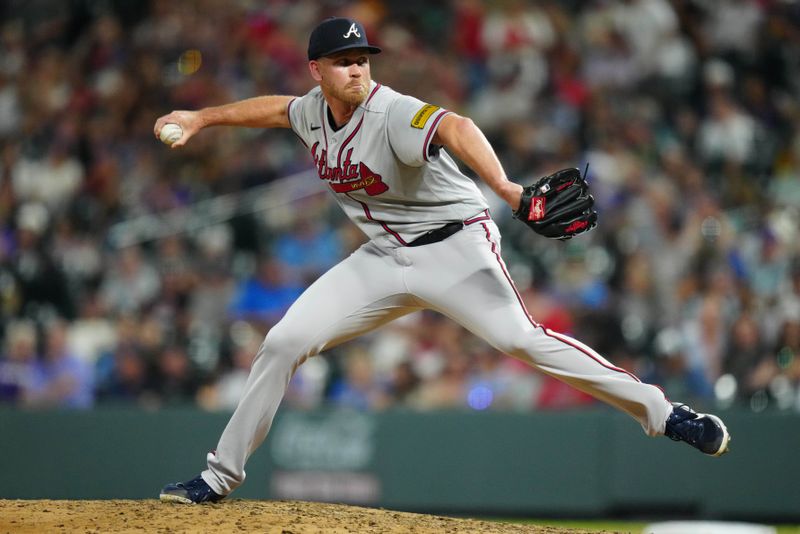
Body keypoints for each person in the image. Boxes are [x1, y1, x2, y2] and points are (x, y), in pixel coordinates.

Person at [155, 17, 730, 504]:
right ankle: (218, 477)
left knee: (524, 341)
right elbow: (275, 111)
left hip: (455, 248)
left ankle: (664, 414)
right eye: (342, 61)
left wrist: (506, 189)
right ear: (316, 71)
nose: (357, 69)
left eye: (362, 59)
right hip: (382, 257)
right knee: (282, 342)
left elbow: (455, 125)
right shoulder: (310, 111)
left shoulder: (390, 112)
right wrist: (201, 117)